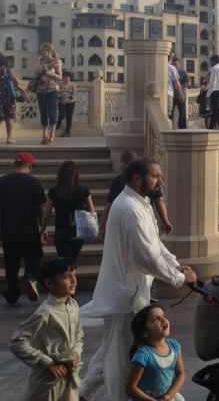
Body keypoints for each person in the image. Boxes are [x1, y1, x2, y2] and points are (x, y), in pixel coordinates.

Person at [78, 158, 197, 401]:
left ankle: (83, 394)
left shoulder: (141, 203)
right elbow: (146, 258)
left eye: (159, 176)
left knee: (111, 350)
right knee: (118, 357)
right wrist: (178, 278)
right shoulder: (131, 210)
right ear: (136, 179)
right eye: (154, 176)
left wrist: (175, 264)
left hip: (132, 294)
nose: (160, 181)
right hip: (125, 298)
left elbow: (155, 244)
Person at [10, 257, 83, 401]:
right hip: (47, 380)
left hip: (69, 376)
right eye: (66, 277)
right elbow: (17, 342)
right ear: (49, 283)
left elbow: (78, 335)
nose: (73, 280)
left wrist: (76, 352)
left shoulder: (73, 305)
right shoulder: (45, 312)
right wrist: (47, 362)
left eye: (74, 275)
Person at [0, 152, 47, 304]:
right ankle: (30, 277)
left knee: (11, 263)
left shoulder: (2, 181)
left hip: (8, 229)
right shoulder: (34, 182)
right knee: (34, 256)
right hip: (29, 229)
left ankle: (12, 293)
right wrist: (43, 228)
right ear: (29, 166)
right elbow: (40, 209)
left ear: (14, 165)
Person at [124, 304, 186, 401]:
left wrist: (169, 395)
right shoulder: (143, 356)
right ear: (144, 333)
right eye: (156, 319)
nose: (163, 320)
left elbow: (180, 374)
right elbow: (130, 388)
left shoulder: (175, 346)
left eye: (163, 316)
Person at [44, 160, 94, 262]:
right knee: (73, 260)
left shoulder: (54, 191)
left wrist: (43, 229)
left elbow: (47, 213)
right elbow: (91, 210)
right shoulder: (83, 189)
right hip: (78, 230)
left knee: (65, 262)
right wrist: (91, 227)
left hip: (61, 230)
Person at [34, 43, 62, 145]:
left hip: (52, 90)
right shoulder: (40, 60)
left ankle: (52, 135)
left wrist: (52, 73)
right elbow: (35, 72)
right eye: (41, 50)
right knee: (43, 113)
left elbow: (60, 77)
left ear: (49, 51)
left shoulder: (56, 61)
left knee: (52, 113)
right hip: (40, 91)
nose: (42, 52)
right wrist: (38, 64)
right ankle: (44, 135)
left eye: (43, 50)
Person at [0, 52, 26, 144]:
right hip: (8, 97)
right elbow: (17, 82)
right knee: (9, 117)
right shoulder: (8, 70)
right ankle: (9, 138)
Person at [56, 71, 76, 137]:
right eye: (64, 77)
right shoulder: (59, 84)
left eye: (67, 77)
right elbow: (57, 93)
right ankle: (57, 126)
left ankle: (67, 132)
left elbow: (73, 95)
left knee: (69, 117)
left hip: (70, 103)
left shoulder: (73, 85)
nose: (65, 78)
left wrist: (67, 100)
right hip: (61, 102)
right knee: (61, 114)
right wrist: (61, 100)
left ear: (69, 78)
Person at [170, 57, 188, 130]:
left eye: (176, 64)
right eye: (173, 64)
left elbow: (188, 83)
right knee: (171, 113)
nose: (175, 65)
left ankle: (182, 128)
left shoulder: (183, 73)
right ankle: (170, 127)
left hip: (181, 96)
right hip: (172, 96)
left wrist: (179, 87)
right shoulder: (170, 71)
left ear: (179, 64)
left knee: (182, 113)